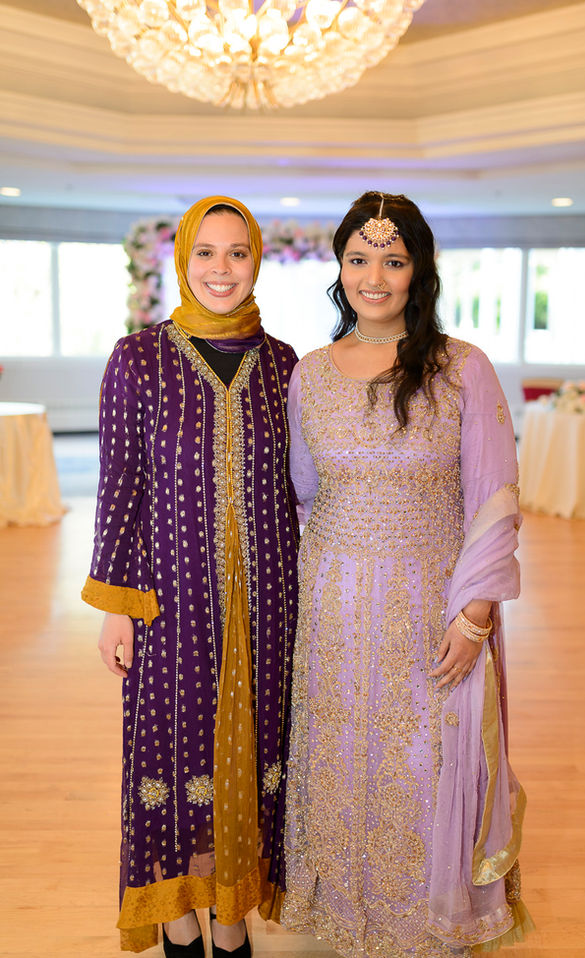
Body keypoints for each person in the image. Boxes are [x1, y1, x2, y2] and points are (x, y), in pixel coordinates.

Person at [282, 192, 534, 956]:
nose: (375, 276)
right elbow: (300, 494)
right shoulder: (310, 374)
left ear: (418, 270)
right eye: (360, 258)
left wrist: (476, 614)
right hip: (329, 608)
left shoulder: (463, 368)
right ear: (340, 268)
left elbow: (495, 499)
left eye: (393, 260)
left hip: (433, 607)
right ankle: (341, 908)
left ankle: (428, 916)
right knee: (336, 754)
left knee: (426, 759)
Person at [82, 196, 299, 956]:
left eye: (237, 252)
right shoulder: (136, 360)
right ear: (182, 259)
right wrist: (115, 608)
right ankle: (177, 915)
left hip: (270, 602)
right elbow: (119, 490)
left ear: (256, 261)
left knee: (255, 749)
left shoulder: (283, 365)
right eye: (205, 252)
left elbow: (304, 489)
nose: (221, 268)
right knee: (170, 753)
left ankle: (232, 914)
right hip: (168, 602)